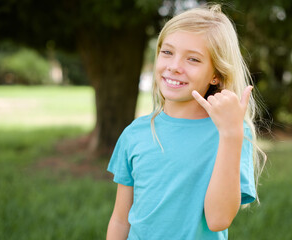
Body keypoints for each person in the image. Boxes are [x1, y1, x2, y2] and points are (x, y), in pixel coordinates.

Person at [106, 4, 265, 240]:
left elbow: (218, 219)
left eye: (193, 59)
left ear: (216, 75)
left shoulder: (230, 133)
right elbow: (120, 219)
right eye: (167, 52)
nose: (174, 67)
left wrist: (231, 134)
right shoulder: (135, 134)